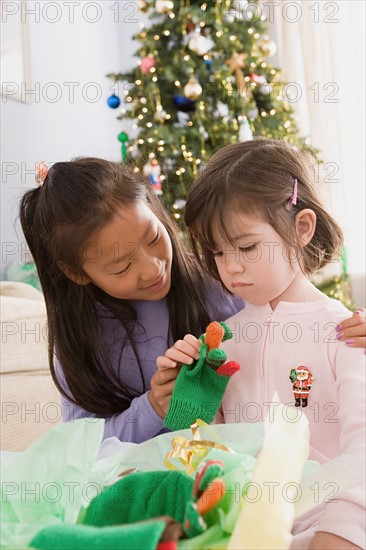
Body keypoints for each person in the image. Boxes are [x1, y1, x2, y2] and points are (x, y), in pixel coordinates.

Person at [19, 156, 365, 446]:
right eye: (122, 266)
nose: (153, 267)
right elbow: (75, 452)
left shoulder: (223, 284)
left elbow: (291, 317)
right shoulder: (79, 340)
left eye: (154, 237)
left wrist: (352, 330)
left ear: (156, 210)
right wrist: (155, 406)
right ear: (76, 273)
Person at [159, 139, 365, 549]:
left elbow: (362, 452)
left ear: (301, 228)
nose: (231, 267)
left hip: (329, 521)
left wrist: (340, 532)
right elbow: (208, 455)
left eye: (247, 247)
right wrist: (186, 403)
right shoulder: (221, 342)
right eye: (217, 252)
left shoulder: (345, 333)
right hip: (241, 523)